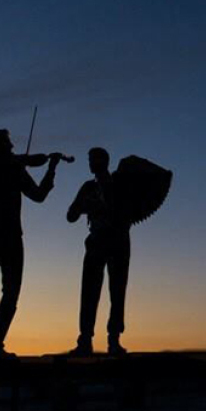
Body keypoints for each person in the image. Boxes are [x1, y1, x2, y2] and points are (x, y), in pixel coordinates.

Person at [0, 129, 63, 360]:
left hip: (11, 238)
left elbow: (38, 195)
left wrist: (50, 169)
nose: (12, 148)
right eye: (8, 144)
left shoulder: (14, 168)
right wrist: (23, 161)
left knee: (11, 294)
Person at [67, 147, 131, 356]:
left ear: (105, 161)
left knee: (117, 291)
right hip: (96, 242)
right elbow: (70, 215)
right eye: (90, 159)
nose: (91, 163)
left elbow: (126, 212)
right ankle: (85, 339)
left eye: (95, 159)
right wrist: (84, 206)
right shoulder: (88, 187)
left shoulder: (120, 185)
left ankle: (114, 339)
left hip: (119, 242)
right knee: (89, 292)